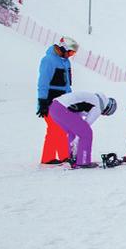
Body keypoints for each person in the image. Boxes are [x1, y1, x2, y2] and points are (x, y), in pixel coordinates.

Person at [47, 91, 117, 169]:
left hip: (54, 108)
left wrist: (76, 139)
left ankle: (74, 158)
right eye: (106, 114)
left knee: (73, 131)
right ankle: (84, 161)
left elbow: (78, 117)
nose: (103, 114)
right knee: (86, 133)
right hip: (62, 108)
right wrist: (77, 138)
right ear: (108, 108)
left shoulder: (93, 99)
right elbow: (87, 124)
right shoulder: (99, 105)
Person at [37, 36, 77, 164]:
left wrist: (71, 101)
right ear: (63, 48)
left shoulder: (66, 62)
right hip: (49, 100)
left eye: (73, 53)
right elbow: (43, 82)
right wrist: (42, 102)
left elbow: (67, 85)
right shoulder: (48, 60)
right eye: (70, 52)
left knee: (59, 128)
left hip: (62, 102)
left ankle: (59, 157)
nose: (71, 55)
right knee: (55, 129)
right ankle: (54, 157)